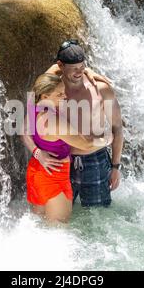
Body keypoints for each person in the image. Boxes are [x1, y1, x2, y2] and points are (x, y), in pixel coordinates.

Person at [22, 39, 124, 208]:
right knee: (64, 220)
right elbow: (26, 128)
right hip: (59, 162)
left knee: (97, 217)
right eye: (74, 68)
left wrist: (115, 167)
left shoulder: (100, 88)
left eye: (83, 67)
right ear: (61, 66)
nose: (80, 72)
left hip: (94, 161)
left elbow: (117, 129)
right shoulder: (51, 90)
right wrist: (38, 153)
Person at [25, 73, 111, 223]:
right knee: (58, 233)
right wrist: (108, 139)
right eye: (59, 94)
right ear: (45, 96)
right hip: (54, 176)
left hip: (37, 171)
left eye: (63, 91)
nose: (64, 96)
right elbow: (86, 144)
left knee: (39, 226)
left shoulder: (34, 106)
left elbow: (24, 132)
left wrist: (37, 152)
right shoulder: (54, 122)